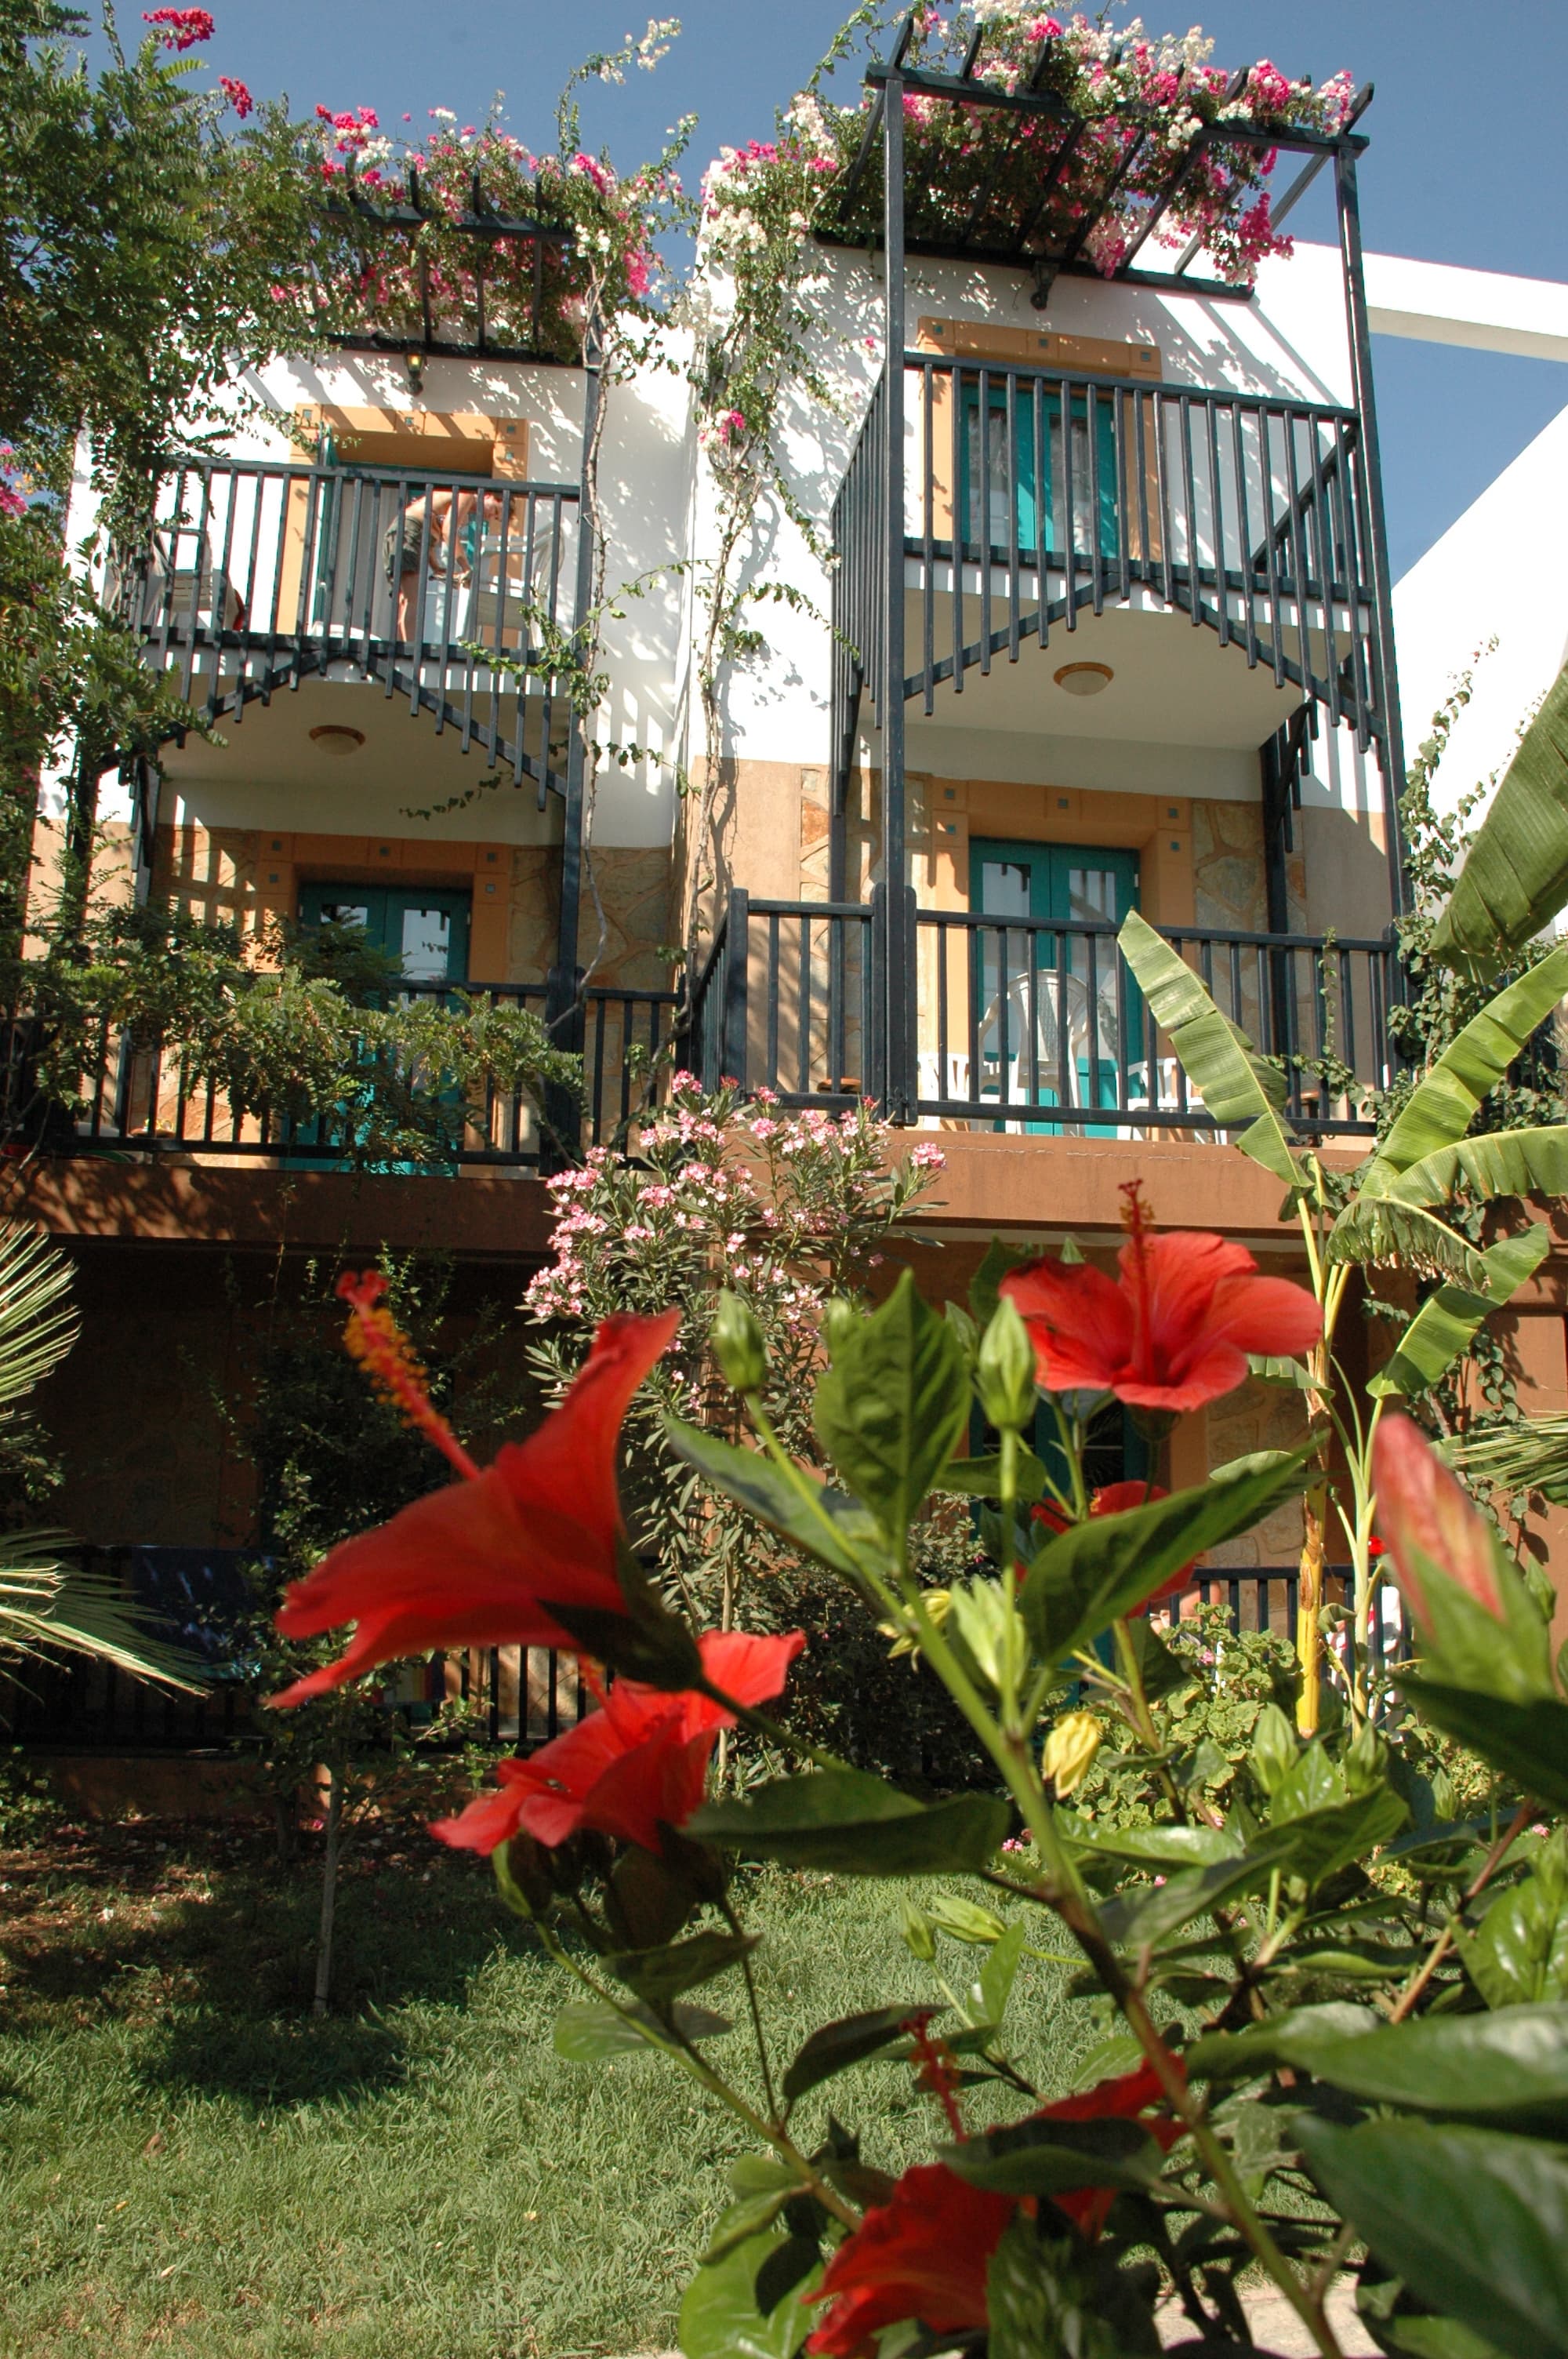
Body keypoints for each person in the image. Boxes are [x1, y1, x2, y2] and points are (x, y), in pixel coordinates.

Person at [384, 485, 504, 644]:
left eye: (495, 518)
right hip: (408, 533)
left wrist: (435, 566)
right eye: (495, 510)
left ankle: (401, 649)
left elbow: (428, 532)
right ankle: (410, 651)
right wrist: (466, 567)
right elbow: (449, 530)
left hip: (403, 533)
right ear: (488, 496)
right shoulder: (467, 495)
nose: (490, 516)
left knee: (405, 600)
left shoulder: (455, 504)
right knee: (412, 600)